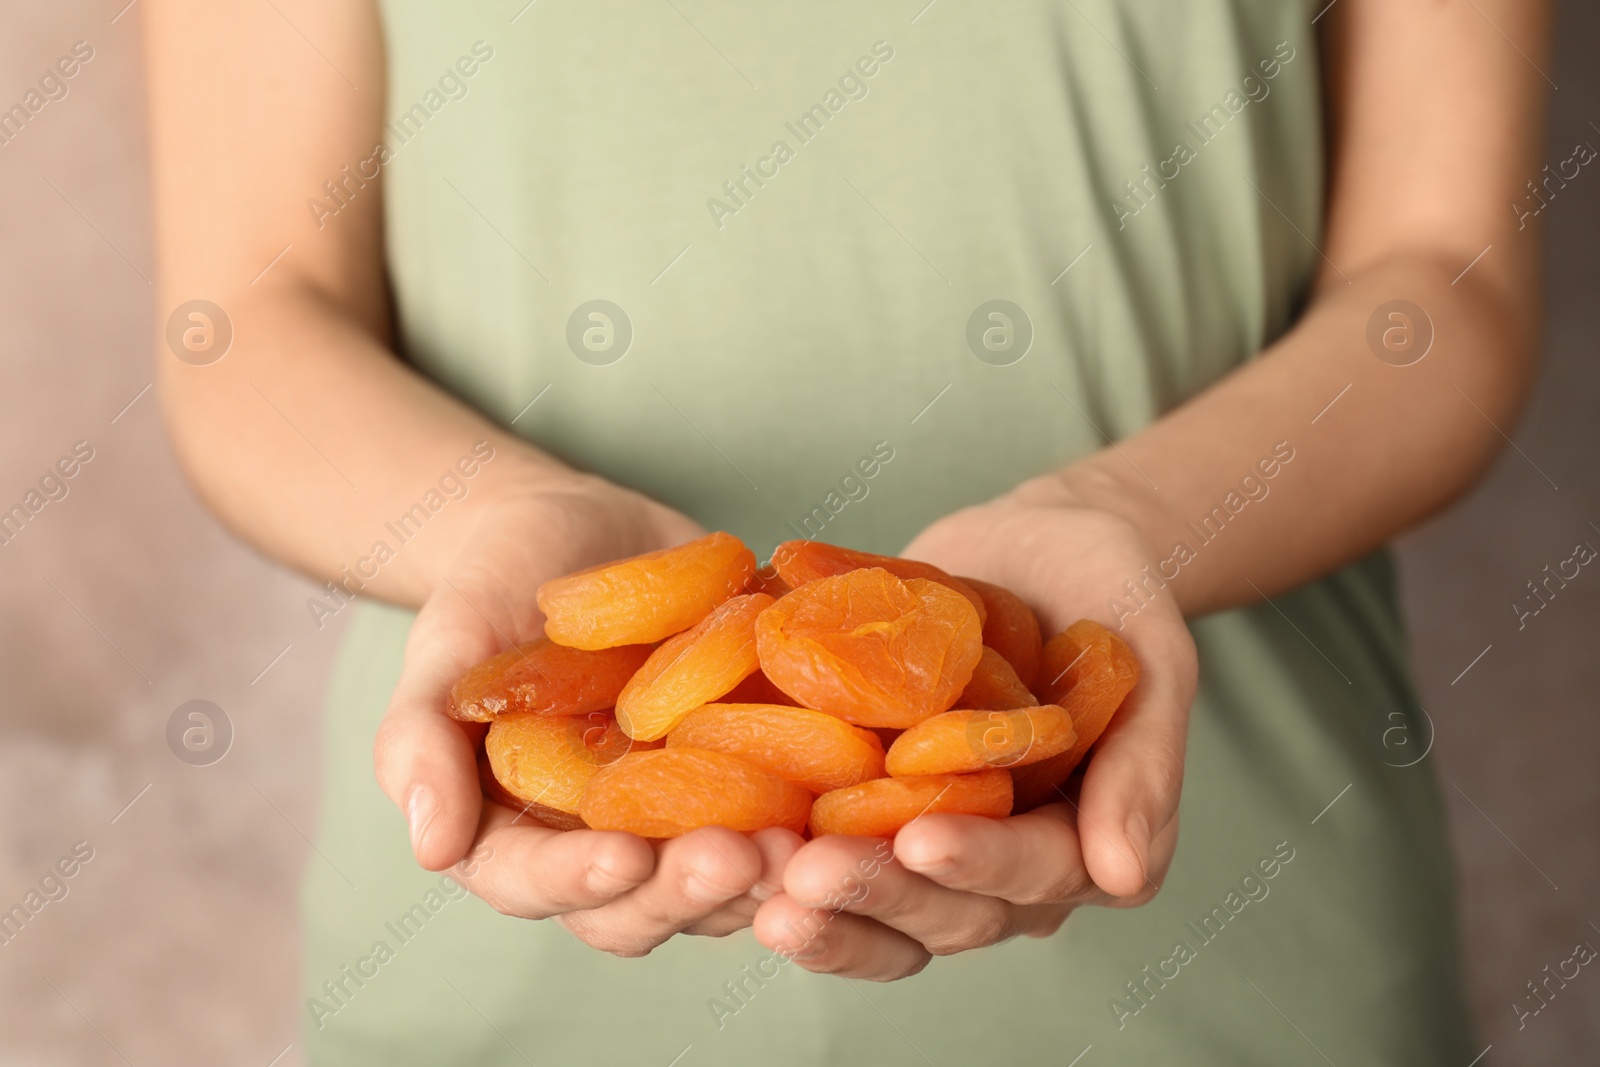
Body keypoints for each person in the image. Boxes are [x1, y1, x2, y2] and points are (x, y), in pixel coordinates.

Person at [145, 0, 1548, 1062]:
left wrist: (1124, 520)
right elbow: (248, 323)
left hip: (1244, 945)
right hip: (495, 967)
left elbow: (1442, 284)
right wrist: (497, 525)